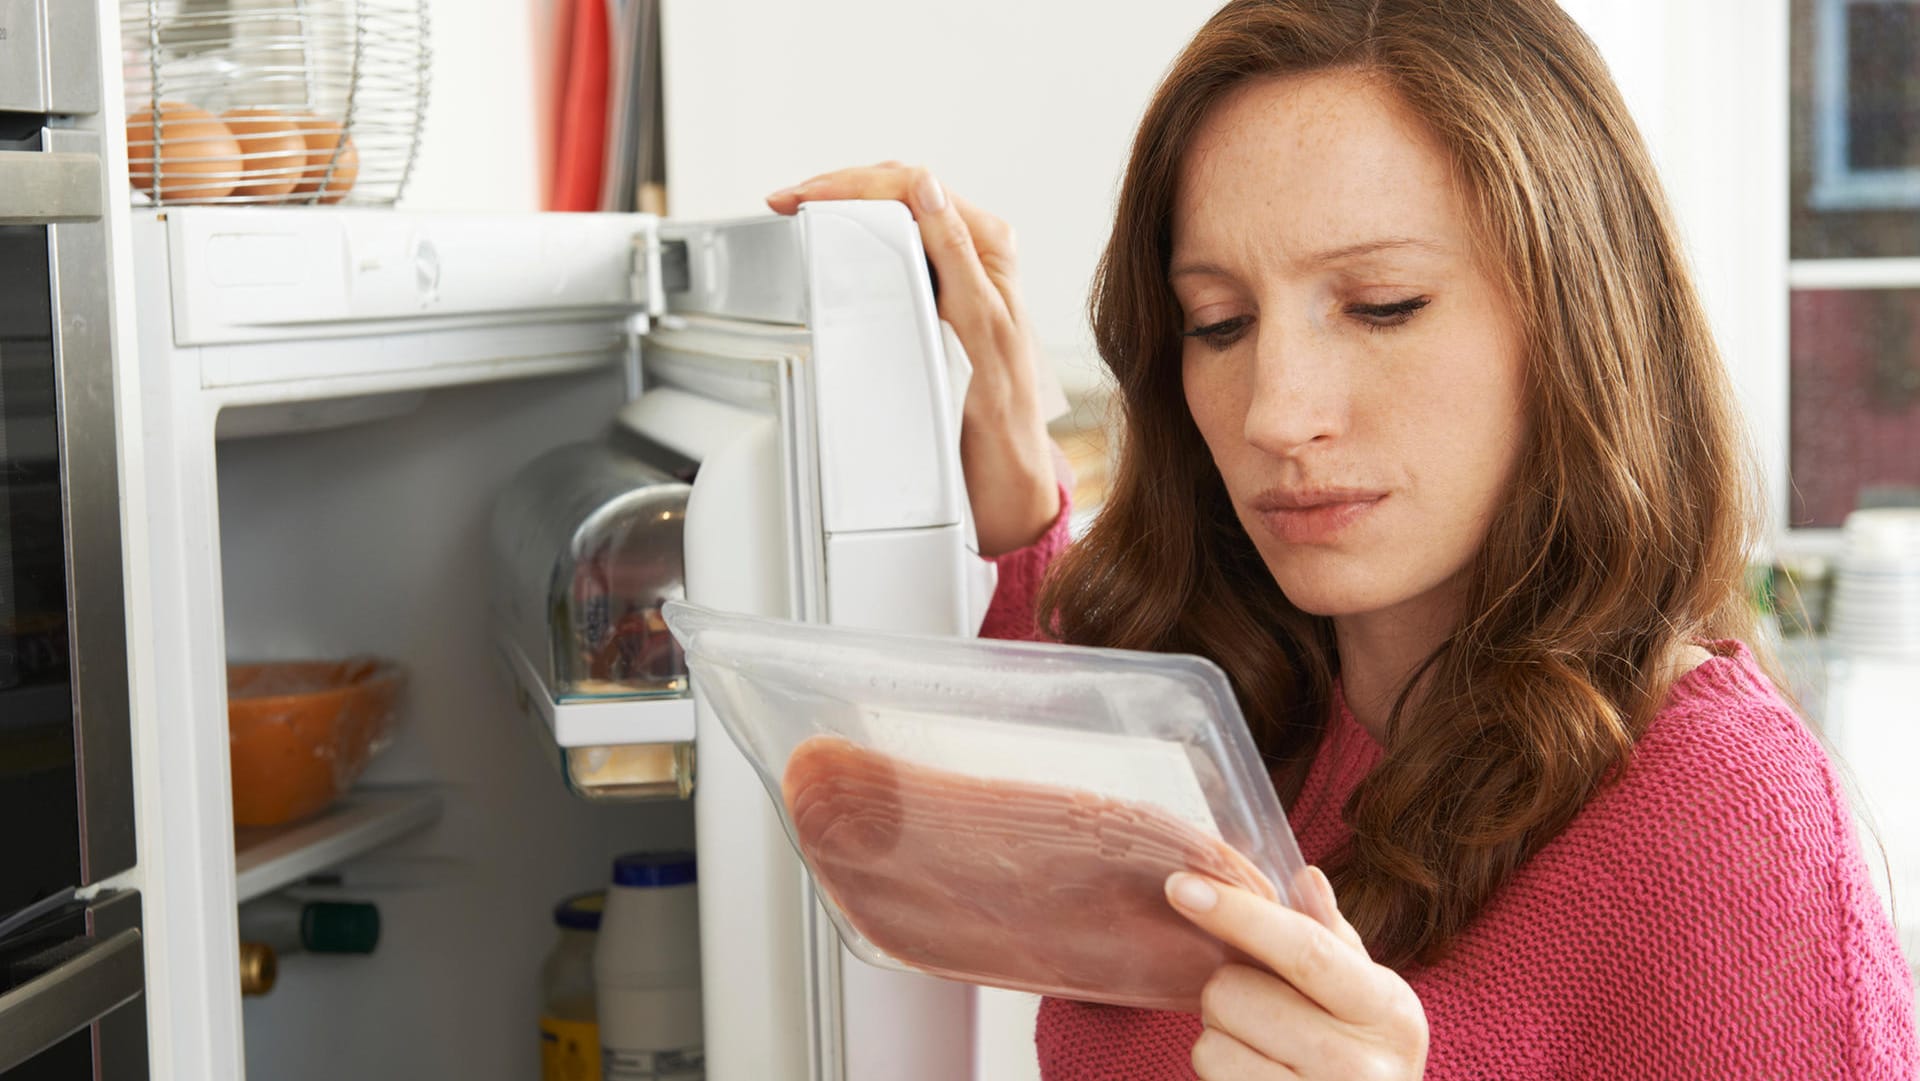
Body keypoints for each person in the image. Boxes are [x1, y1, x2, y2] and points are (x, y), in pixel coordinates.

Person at [767, 0, 1920, 1076]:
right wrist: (1009, 455)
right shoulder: (1226, 701)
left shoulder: (1725, 822)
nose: (1275, 411)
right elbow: (1013, 781)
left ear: (1578, 318)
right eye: (1219, 323)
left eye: (1381, 307)